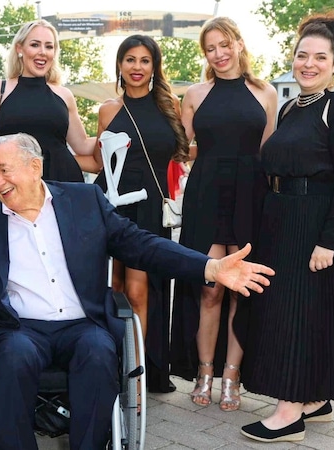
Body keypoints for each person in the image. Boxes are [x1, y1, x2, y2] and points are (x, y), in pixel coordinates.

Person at [0, 133, 275, 449]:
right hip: (19, 328)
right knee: (13, 357)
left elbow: (141, 244)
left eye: (4, 170)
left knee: (98, 352)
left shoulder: (84, 201)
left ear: (35, 167)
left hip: (82, 324)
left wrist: (209, 267)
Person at [237, 13, 334, 443]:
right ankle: (315, 400)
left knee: (297, 315)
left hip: (318, 225)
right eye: (301, 55)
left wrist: (327, 241)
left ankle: (289, 413)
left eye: (319, 57)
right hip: (284, 221)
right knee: (294, 313)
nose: (308, 64)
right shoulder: (293, 106)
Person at [169, 17, 277, 412]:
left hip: (251, 195)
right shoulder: (195, 94)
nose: (219, 53)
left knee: (241, 291)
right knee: (210, 287)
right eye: (210, 48)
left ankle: (232, 375)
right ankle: (204, 371)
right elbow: (180, 151)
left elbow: (269, 154)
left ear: (239, 44)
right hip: (207, 195)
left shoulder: (265, 93)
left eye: (224, 44)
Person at [91, 35, 190, 393]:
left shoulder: (170, 107)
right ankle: (109, 362)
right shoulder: (107, 110)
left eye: (144, 60)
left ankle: (137, 371)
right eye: (129, 59)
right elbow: (96, 160)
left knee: (138, 290)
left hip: (149, 205)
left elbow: (183, 153)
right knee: (112, 286)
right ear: (119, 65)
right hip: (111, 203)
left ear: (154, 66)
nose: (136, 66)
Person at [0, 19, 100, 180]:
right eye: (35, 45)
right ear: (20, 48)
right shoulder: (0, 90)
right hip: (13, 186)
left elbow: (82, 145)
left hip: (62, 184)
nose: (42, 52)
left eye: (49, 46)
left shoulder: (64, 95)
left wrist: (114, 129)